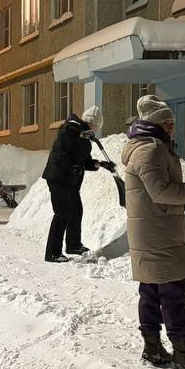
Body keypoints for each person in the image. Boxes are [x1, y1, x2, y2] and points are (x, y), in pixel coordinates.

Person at [122, 95, 185, 369]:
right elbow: (160, 191)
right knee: (172, 291)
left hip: (150, 230)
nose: (172, 127)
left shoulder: (143, 146)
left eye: (172, 122)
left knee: (150, 290)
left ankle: (152, 346)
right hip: (158, 232)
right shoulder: (151, 150)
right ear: (155, 124)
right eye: (167, 123)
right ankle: (182, 351)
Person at [42, 106, 113, 262]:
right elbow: (66, 136)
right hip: (59, 177)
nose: (97, 130)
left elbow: (83, 161)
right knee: (62, 213)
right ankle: (52, 253)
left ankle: (73, 245)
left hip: (70, 179)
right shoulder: (72, 129)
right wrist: (82, 134)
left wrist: (100, 164)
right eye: (96, 126)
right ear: (91, 123)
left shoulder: (83, 137)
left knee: (76, 210)